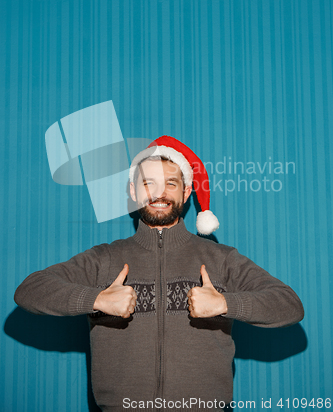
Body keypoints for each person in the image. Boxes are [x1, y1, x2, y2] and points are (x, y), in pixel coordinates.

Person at [14, 136, 304, 412]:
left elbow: (289, 305)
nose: (159, 193)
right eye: (147, 183)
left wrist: (226, 304)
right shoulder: (103, 258)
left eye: (171, 183)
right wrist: (97, 299)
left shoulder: (222, 258)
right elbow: (29, 290)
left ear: (186, 191)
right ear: (132, 191)